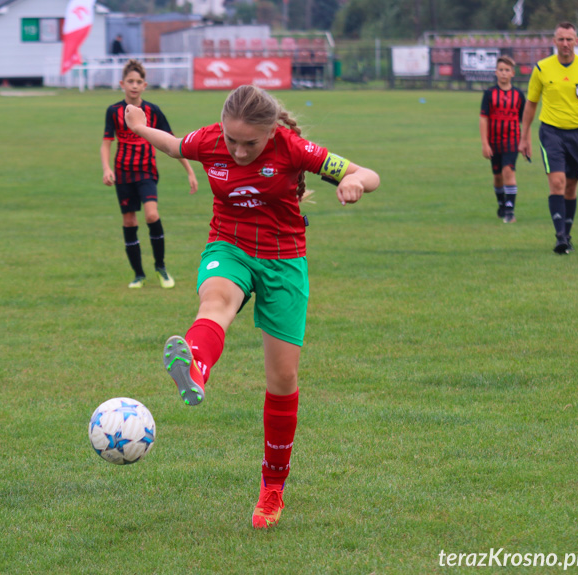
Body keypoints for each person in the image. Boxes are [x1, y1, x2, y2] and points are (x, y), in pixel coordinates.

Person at [125, 85, 379, 529]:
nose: (238, 152)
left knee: (282, 379)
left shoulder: (295, 148)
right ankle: (196, 365)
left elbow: (368, 173)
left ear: (271, 132)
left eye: (250, 143)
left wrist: (354, 180)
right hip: (231, 245)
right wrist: (140, 127)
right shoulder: (208, 141)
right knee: (216, 300)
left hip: (284, 260)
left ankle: (273, 486)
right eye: (231, 141)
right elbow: (171, 144)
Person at [101, 59, 198, 288]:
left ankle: (161, 268)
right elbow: (106, 142)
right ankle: (138, 274)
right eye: (130, 81)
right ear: (122, 84)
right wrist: (106, 168)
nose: (134, 85)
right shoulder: (114, 111)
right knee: (129, 220)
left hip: (146, 171)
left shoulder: (153, 111)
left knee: (152, 215)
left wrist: (190, 171)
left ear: (145, 85)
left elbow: (173, 143)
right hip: (123, 173)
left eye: (138, 82)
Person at [519, 22, 578, 254]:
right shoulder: (542, 68)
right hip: (551, 132)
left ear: (577, 41)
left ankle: (567, 234)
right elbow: (531, 104)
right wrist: (524, 136)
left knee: (571, 186)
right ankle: (560, 236)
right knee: (557, 182)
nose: (565, 44)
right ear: (554, 41)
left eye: (570, 39)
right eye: (561, 39)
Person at [480, 55, 525, 224]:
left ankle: (510, 211)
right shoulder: (489, 94)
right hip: (494, 141)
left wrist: (525, 141)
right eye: (501, 70)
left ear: (513, 73)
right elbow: (483, 118)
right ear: (495, 72)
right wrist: (485, 144)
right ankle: (501, 205)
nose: (504, 73)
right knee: (498, 176)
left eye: (507, 70)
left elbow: (524, 120)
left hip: (512, 140)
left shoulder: (519, 95)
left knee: (508, 172)